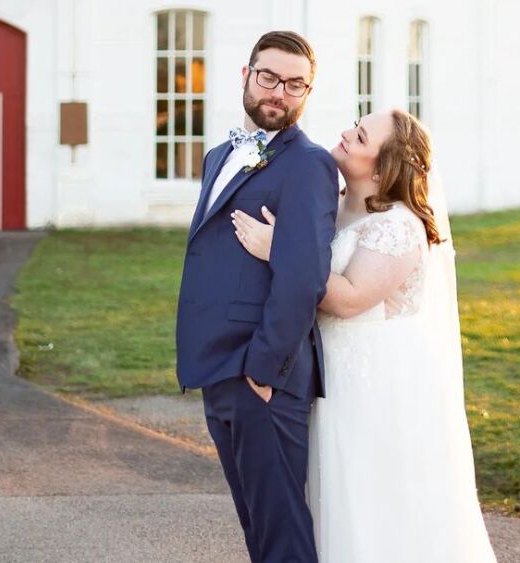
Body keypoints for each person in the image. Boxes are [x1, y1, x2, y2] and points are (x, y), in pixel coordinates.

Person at [232, 109, 497, 562]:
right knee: (330, 491)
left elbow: (350, 298)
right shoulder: (330, 204)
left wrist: (280, 251)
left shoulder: (399, 226)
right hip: (328, 372)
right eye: (355, 126)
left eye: (358, 137)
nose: (344, 135)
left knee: (374, 500)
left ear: (381, 167)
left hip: (378, 386)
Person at [174, 31, 338, 563]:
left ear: (307, 92)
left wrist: (265, 370)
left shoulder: (309, 165)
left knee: (280, 528)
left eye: (295, 84)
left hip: (262, 372)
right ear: (246, 76)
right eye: (269, 77)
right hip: (217, 365)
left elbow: (305, 278)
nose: (279, 92)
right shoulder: (219, 154)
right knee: (255, 522)